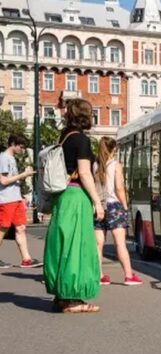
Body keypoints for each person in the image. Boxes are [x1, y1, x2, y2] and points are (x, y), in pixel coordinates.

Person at [43, 99, 105, 313]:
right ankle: (74, 300)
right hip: (77, 195)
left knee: (62, 243)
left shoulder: (64, 137)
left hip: (62, 196)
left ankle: (61, 296)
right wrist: (97, 201)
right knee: (77, 246)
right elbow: (85, 173)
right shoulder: (82, 140)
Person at [94, 137, 142, 286]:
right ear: (113, 149)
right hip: (114, 206)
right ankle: (128, 275)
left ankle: (99, 275)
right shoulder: (115, 165)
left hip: (98, 207)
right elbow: (119, 188)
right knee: (120, 244)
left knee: (98, 244)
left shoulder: (95, 165)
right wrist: (125, 206)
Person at [0, 134, 42, 269]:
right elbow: (4, 181)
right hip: (6, 199)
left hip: (15, 198)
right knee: (3, 228)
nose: (22, 150)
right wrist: (23, 175)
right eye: (21, 147)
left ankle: (26, 259)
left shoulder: (11, 158)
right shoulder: (4, 158)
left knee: (21, 228)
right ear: (13, 144)